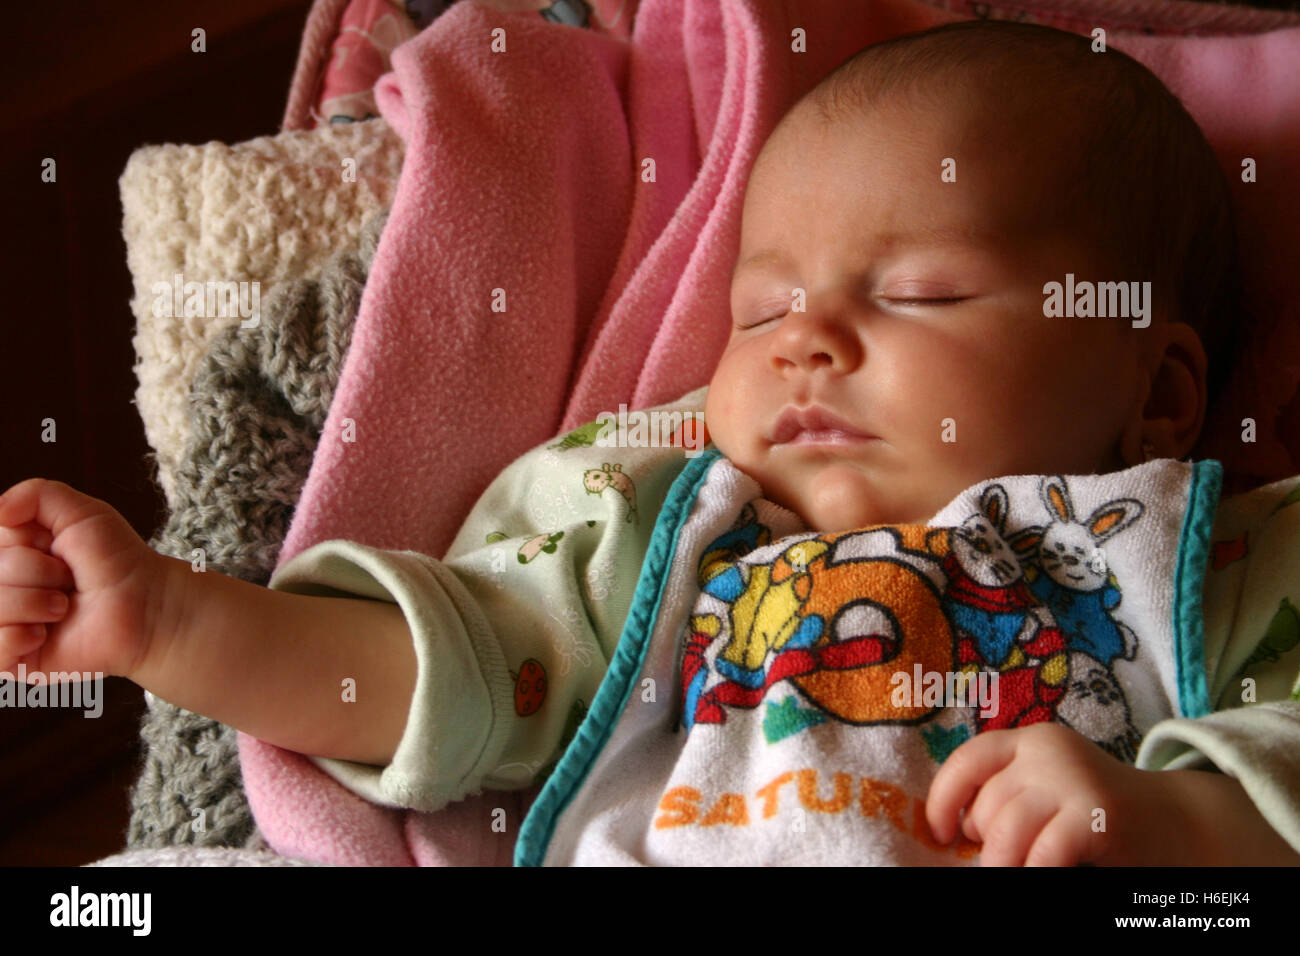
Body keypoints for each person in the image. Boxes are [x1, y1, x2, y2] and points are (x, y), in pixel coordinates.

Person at [2, 20, 1298, 865]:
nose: (805, 343)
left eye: (920, 295)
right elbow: (431, 670)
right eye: (761, 309)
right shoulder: (673, 535)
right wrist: (170, 625)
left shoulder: (1213, 558)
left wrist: (1178, 822)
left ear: (1162, 388)